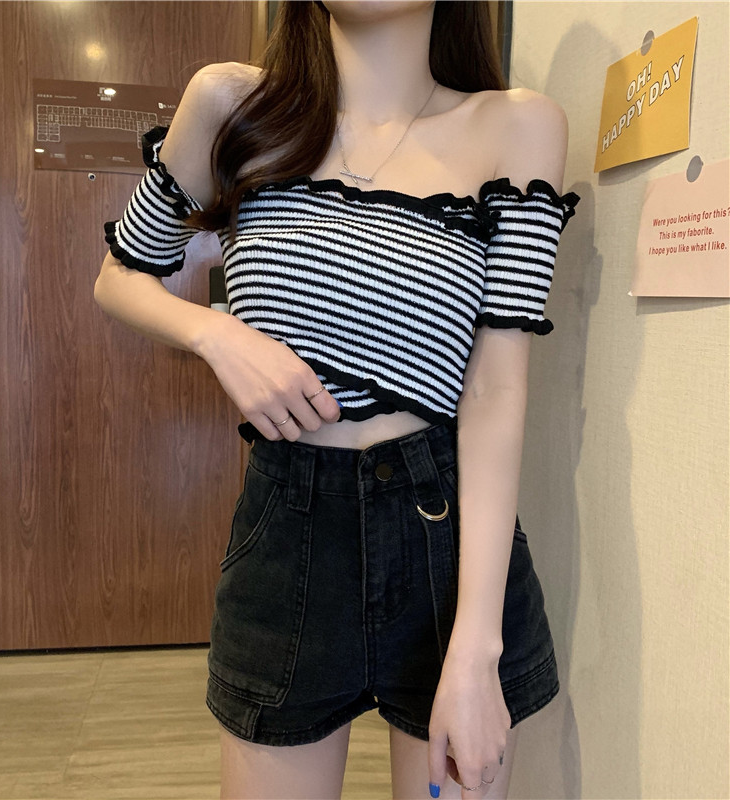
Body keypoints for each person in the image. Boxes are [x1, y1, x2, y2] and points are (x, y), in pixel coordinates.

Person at [94, 2, 579, 798]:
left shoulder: (519, 128)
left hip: (448, 545)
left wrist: (476, 648)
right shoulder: (231, 106)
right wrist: (218, 335)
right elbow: (119, 275)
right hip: (287, 529)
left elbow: (497, 386)